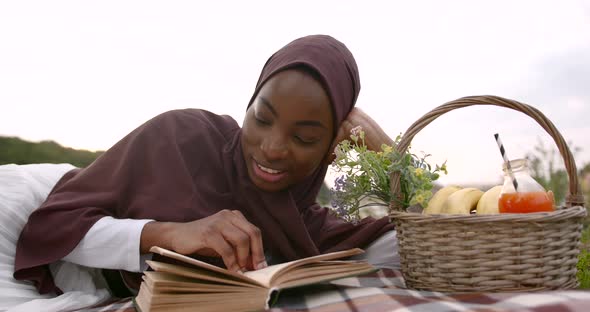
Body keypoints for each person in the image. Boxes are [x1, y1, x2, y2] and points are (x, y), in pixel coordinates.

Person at [13, 35, 398, 298]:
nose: (271, 148)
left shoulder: (308, 226)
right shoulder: (180, 138)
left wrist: (388, 153)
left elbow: (420, 239)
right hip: (54, 246)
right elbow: (51, 227)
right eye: (262, 119)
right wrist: (170, 234)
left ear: (330, 150)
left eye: (305, 138)